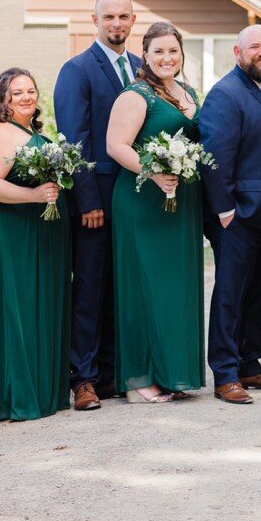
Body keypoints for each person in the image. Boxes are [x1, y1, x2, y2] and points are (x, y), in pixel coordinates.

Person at [106, 22, 206, 403]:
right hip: (142, 201)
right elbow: (116, 145)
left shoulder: (189, 92)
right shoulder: (136, 95)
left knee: (175, 287)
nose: (168, 58)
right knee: (142, 285)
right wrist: (154, 171)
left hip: (181, 204)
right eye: (159, 51)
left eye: (174, 51)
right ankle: (138, 379)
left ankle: (174, 373)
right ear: (145, 55)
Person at [53, 0, 140, 411]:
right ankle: (83, 379)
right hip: (96, 199)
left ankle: (111, 373)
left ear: (133, 19)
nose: (116, 24)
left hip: (135, 199)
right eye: (109, 17)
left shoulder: (142, 68)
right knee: (90, 286)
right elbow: (75, 140)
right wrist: (87, 199)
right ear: (95, 20)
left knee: (121, 284)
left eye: (123, 16)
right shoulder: (77, 70)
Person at [0, 68, 71, 421]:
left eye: (30, 90)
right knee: (13, 307)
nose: (26, 97)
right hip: (6, 232)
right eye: (17, 92)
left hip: (35, 231)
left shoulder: (31, 132)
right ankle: (11, 393)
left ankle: (40, 389)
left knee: (33, 305)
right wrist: (34, 194)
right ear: (3, 99)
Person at [201, 24, 261, 405]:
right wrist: (224, 210)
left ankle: (249, 363)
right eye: (254, 46)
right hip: (238, 214)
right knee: (230, 295)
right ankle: (224, 373)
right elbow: (216, 158)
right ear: (237, 52)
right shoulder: (225, 94)